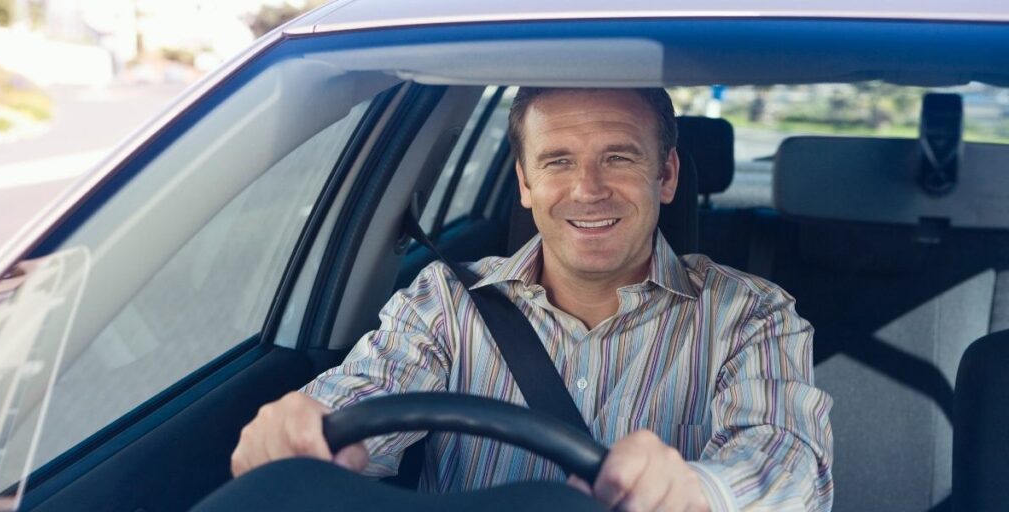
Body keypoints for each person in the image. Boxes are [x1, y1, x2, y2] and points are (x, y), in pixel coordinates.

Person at [230, 88, 834, 511]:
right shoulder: (445, 302)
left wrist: (699, 492)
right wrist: (304, 428)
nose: (588, 190)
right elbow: (364, 392)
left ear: (667, 174)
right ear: (525, 182)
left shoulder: (751, 314)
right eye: (557, 161)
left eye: (618, 158)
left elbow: (788, 462)